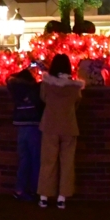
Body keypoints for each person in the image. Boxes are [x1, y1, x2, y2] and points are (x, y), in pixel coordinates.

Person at [38, 54, 83, 209]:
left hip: (50, 126)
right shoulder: (75, 88)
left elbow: (43, 98)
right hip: (69, 127)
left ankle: (44, 196)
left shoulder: (46, 85)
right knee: (67, 163)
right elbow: (77, 104)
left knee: (48, 162)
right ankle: (62, 197)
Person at [6, 67, 44, 202]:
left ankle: (19, 189)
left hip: (21, 127)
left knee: (23, 159)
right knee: (35, 160)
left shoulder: (14, 89)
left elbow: (9, 78)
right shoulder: (34, 89)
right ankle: (34, 190)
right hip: (34, 126)